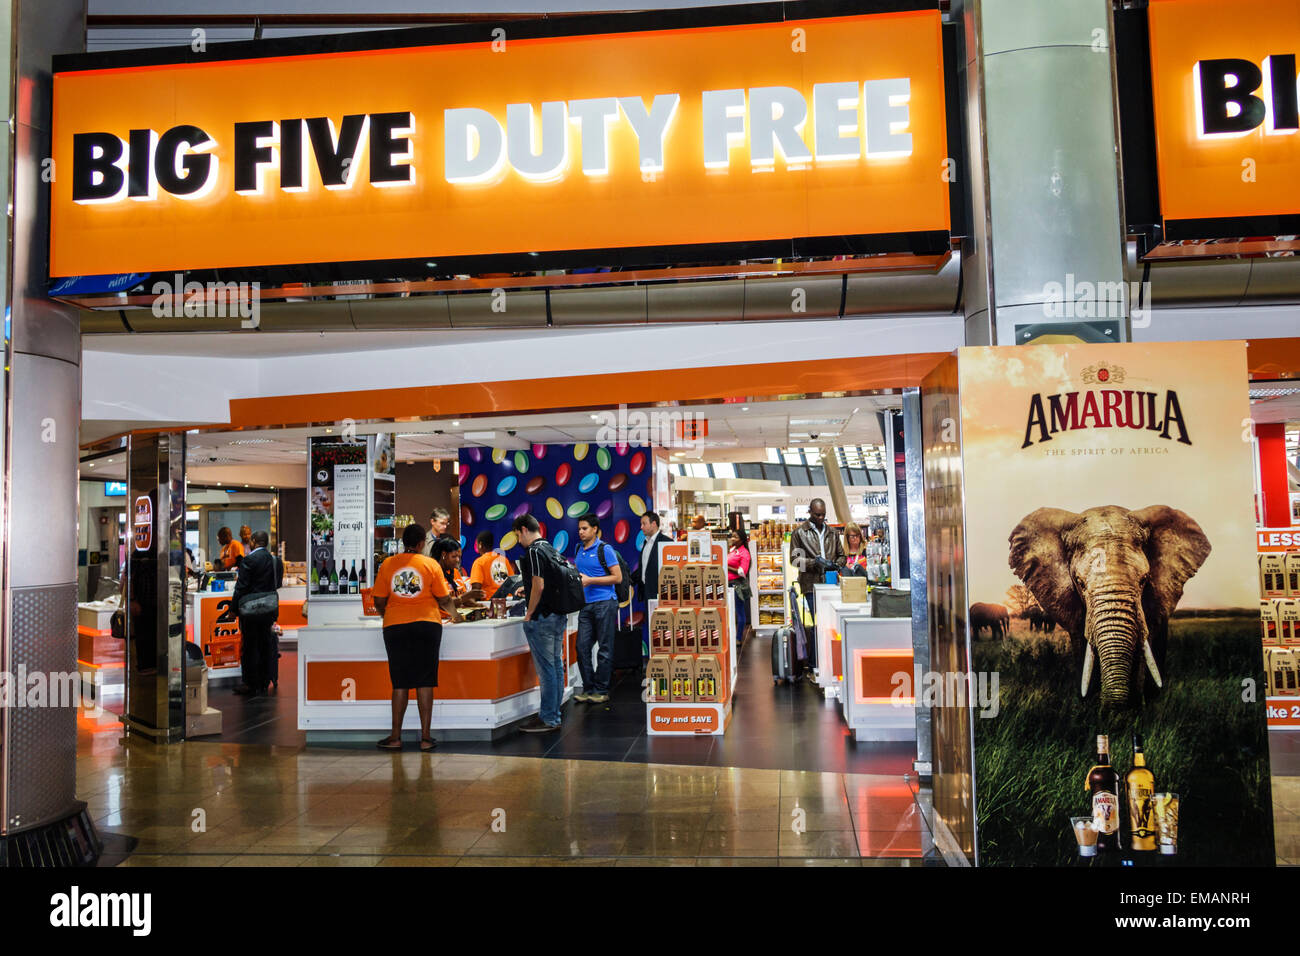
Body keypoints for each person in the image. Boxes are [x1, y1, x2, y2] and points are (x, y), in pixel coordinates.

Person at [371, 522, 457, 751]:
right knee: (425, 680)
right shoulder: (430, 564)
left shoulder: (388, 564)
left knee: (399, 682)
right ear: (421, 544)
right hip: (427, 626)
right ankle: (426, 739)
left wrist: (387, 614)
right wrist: (456, 616)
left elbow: (378, 599)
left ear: (403, 542)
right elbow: (444, 599)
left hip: (395, 627)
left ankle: (395, 737)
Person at [512, 513, 565, 733]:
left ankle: (549, 718)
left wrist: (529, 613)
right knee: (555, 666)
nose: (518, 541)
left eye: (517, 535)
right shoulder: (550, 548)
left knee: (546, 670)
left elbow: (540, 585)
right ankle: (552, 714)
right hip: (557, 614)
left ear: (524, 530)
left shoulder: (533, 551)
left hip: (542, 617)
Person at [790, 498, 845, 673]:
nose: (821, 518)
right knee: (818, 623)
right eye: (817, 514)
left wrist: (835, 564)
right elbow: (795, 561)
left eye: (823, 515)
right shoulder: (799, 533)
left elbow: (841, 556)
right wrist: (815, 563)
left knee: (831, 624)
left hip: (831, 583)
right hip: (811, 585)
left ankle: (830, 663)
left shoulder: (832, 533)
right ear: (810, 512)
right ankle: (816, 664)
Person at [573, 515, 622, 704]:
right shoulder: (579, 549)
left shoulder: (605, 549)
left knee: (604, 648)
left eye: (584, 528)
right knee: (582, 646)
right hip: (585, 605)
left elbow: (616, 577)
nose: (581, 532)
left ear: (595, 529)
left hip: (605, 603)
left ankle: (601, 690)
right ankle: (588, 688)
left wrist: (590, 580)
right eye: (579, 529)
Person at [230, 530, 282, 696]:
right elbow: (277, 583)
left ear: (253, 541)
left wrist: (233, 609)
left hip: (251, 610)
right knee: (266, 643)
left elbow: (241, 587)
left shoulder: (249, 560)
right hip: (269, 609)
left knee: (250, 646)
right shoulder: (275, 560)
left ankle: (250, 683)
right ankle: (265, 681)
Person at [431, 537, 483, 621]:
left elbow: (462, 598)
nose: (457, 560)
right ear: (444, 554)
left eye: (459, 557)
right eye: (454, 556)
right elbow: (443, 603)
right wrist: (465, 597)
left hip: (457, 619)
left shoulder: (455, 572)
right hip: (442, 621)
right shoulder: (433, 574)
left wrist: (477, 605)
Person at [637, 511, 672, 602]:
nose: (641, 527)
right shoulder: (646, 542)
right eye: (641, 524)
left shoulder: (666, 543)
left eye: (644, 524)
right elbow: (644, 566)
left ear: (653, 524)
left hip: (660, 594)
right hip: (646, 592)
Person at [727, 526, 752, 646]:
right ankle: (730, 636)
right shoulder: (732, 549)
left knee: (740, 613)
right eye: (732, 536)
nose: (732, 538)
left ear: (742, 540)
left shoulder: (744, 553)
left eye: (735, 537)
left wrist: (726, 567)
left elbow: (743, 571)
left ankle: (738, 638)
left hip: (737, 586)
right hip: (728, 585)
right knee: (730, 612)